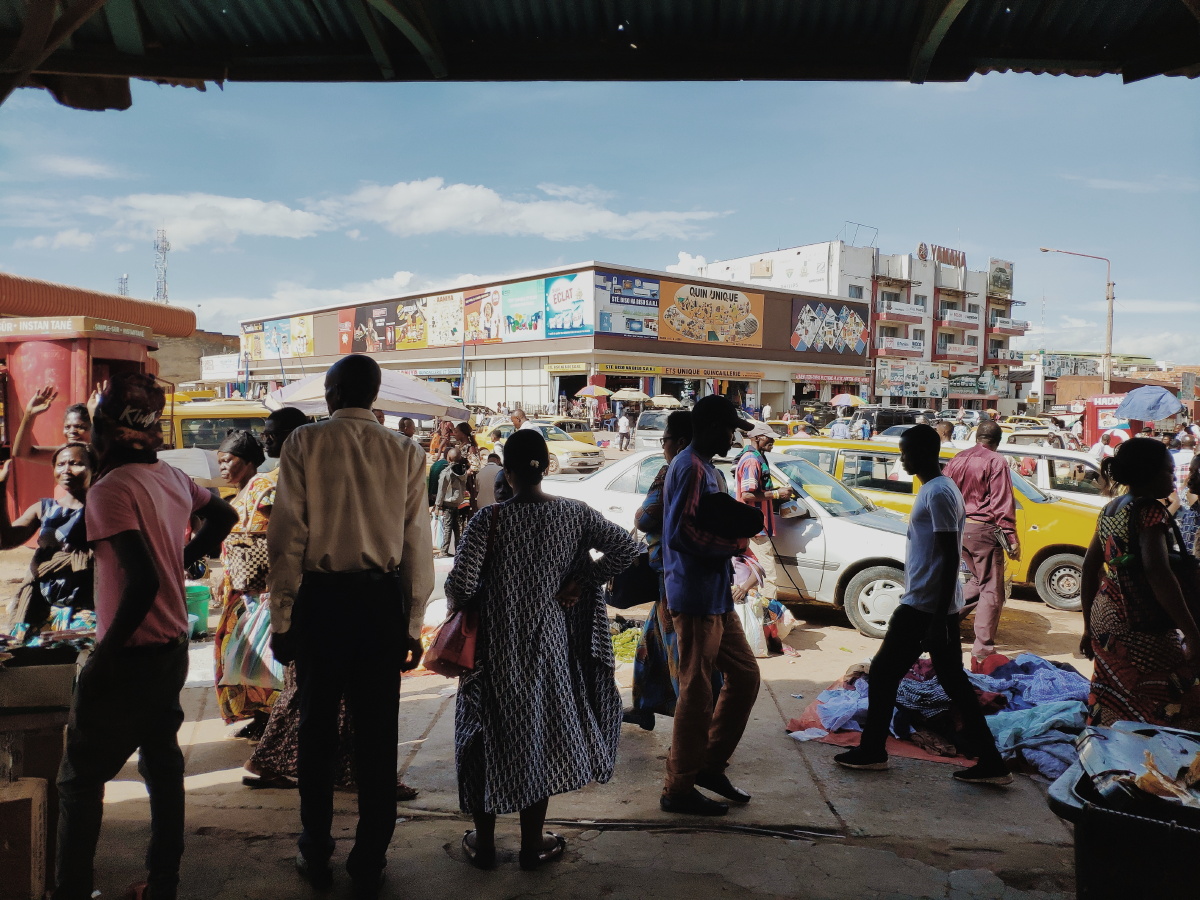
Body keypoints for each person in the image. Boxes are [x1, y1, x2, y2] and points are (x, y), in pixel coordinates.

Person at [54, 373, 237, 900]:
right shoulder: (171, 478)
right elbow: (221, 513)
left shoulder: (109, 490)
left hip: (131, 655)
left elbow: (142, 582)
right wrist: (183, 555)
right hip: (172, 648)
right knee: (162, 764)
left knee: (79, 781)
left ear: (106, 432)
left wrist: (101, 660)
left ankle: (72, 890)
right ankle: (163, 883)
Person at [267, 354, 433, 897]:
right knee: (378, 736)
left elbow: (287, 538)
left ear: (333, 393)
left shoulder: (303, 444)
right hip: (380, 603)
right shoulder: (406, 451)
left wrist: (283, 616)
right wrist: (412, 623)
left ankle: (316, 849)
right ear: (375, 394)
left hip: (322, 603)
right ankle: (370, 859)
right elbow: (416, 546)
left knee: (317, 731)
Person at [446, 429, 637, 871]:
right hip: (548, 647)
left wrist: (478, 600)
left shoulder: (488, 521)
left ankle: (486, 842)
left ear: (508, 474)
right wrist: (582, 579)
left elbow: (460, 587)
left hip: (491, 651)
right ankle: (532, 844)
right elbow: (627, 547)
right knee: (537, 734)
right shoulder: (574, 514)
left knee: (483, 735)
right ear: (546, 467)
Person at [834, 425, 1011, 785]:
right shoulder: (937, 489)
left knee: (884, 674)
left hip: (924, 607)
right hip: (931, 605)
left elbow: (948, 557)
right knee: (954, 684)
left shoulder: (940, 493)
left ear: (923, 452)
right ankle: (992, 762)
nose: (902, 458)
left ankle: (872, 752)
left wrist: (938, 617)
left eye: (906, 451)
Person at [660, 395, 763, 817]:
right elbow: (679, 534)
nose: (732, 436)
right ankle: (678, 787)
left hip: (714, 595)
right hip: (694, 596)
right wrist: (731, 545)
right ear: (709, 428)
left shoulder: (707, 469)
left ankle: (709, 765)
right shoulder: (688, 467)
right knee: (697, 692)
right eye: (728, 429)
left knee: (744, 676)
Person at [1080, 438, 1200, 729]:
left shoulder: (1111, 509)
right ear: (1149, 473)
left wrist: (1087, 626)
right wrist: (1191, 632)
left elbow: (1089, 568)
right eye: (1169, 472)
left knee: (1112, 687)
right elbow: (1158, 574)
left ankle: (1106, 746)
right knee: (1172, 688)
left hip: (1105, 612)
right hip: (1137, 619)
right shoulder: (1150, 512)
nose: (1174, 480)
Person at [624, 411, 721, 730]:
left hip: (674, 576)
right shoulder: (712, 471)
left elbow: (645, 518)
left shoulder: (672, 471)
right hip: (689, 574)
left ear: (679, 441)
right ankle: (645, 704)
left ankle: (697, 728)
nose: (662, 445)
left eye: (664, 439)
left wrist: (642, 510)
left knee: (683, 657)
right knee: (651, 643)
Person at [213, 430, 278, 731]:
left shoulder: (262, 487)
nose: (223, 467)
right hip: (237, 587)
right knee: (238, 654)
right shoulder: (237, 494)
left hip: (259, 591)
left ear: (250, 461)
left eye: (229, 461)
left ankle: (268, 718)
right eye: (220, 461)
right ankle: (256, 715)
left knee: (257, 655)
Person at [0, 442, 96, 638]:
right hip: (43, 606)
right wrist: (1, 491)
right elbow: (6, 540)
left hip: (88, 609)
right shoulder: (43, 509)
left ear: (94, 468)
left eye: (76, 463)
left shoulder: (104, 510)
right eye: (60, 464)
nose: (67, 469)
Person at [943, 421, 1019, 667]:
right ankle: (983, 650)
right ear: (997, 441)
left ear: (977, 437)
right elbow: (1002, 501)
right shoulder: (995, 461)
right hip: (983, 530)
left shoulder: (957, 458)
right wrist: (1011, 536)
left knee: (978, 581)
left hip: (959, 529)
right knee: (991, 591)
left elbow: (944, 492)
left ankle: (945, 623)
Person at [734, 422, 792, 607]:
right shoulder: (752, 460)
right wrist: (776, 494)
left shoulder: (757, 457)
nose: (773, 440)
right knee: (767, 574)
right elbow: (748, 494)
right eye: (769, 437)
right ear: (757, 438)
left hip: (754, 526)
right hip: (755, 528)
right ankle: (770, 619)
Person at [434, 447, 470, 557]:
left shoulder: (446, 472)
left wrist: (437, 505)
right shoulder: (463, 471)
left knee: (447, 527)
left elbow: (442, 489)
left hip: (448, 503)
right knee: (457, 529)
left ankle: (444, 551)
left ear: (448, 458)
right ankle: (458, 550)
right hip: (458, 502)